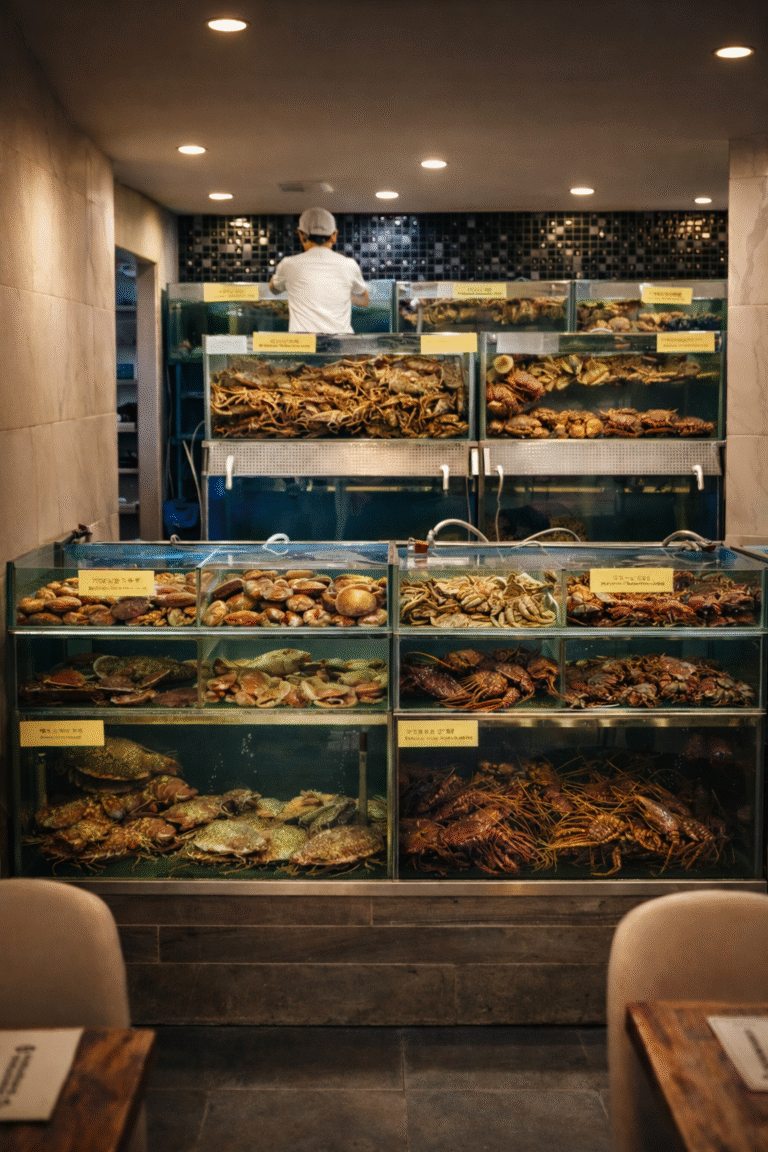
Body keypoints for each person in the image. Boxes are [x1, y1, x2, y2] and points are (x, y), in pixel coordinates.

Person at [269, 207, 369, 333]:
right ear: (334, 235)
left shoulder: (288, 264)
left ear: (300, 234)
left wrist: (277, 277)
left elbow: (273, 289)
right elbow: (364, 301)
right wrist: (341, 293)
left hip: (304, 345)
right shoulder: (349, 264)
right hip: (340, 344)